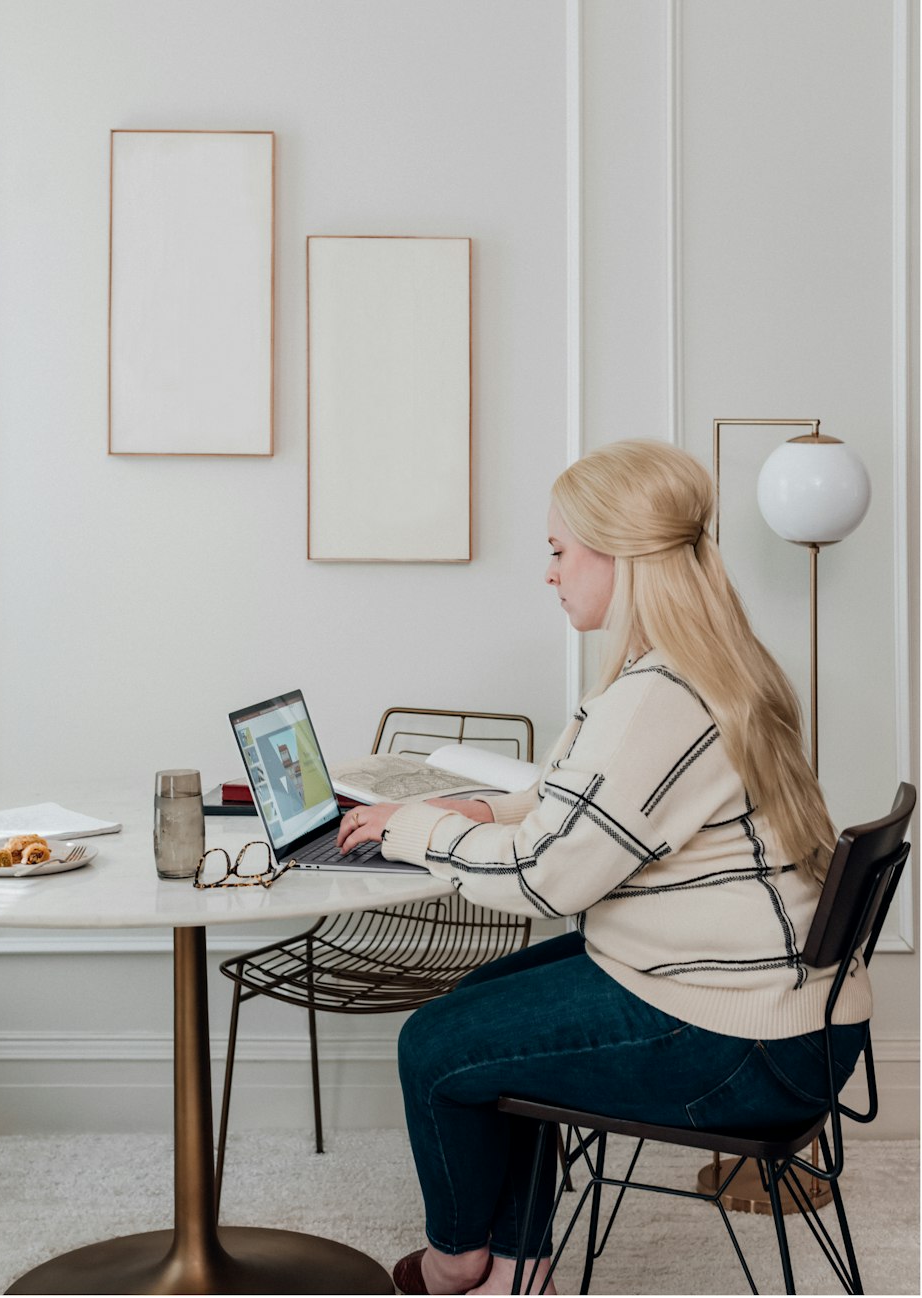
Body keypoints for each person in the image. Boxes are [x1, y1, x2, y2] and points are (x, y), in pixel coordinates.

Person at [336, 439, 870, 1297]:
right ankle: (516, 1267)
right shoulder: (712, 668)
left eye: (557, 550)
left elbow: (546, 880)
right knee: (478, 1010)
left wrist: (410, 831)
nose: (549, 573)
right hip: (780, 1015)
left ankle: (454, 1263)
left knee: (434, 1046)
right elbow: (583, 803)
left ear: (618, 555)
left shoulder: (659, 699)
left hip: (744, 1049)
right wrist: (475, 813)